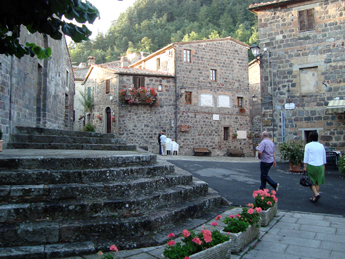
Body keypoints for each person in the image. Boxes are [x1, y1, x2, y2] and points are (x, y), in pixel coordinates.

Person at [303, 131, 326, 203]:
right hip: (320, 165)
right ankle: (314, 197)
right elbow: (324, 156)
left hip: (311, 165)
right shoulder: (321, 145)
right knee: (317, 182)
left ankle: (316, 194)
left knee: (310, 181)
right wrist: (324, 165)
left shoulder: (308, 145)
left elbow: (306, 156)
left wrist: (304, 166)